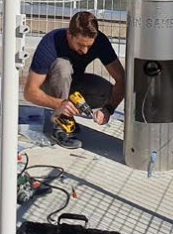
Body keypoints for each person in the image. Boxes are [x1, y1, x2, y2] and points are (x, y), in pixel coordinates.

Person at [24, 11, 125, 149]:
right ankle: (61, 126)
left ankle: (69, 109)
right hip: (49, 86)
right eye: (80, 44)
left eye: (89, 46)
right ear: (69, 35)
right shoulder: (51, 42)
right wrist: (59, 103)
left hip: (73, 82)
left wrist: (108, 109)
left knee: (107, 92)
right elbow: (30, 92)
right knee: (63, 66)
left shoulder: (100, 41)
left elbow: (121, 79)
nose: (84, 51)